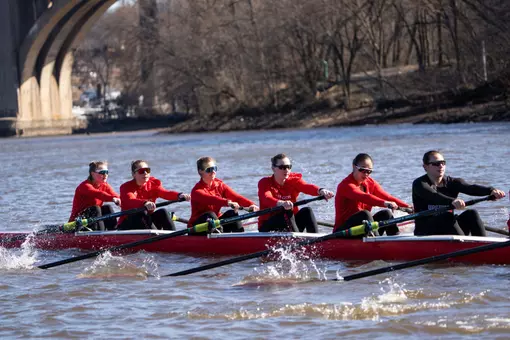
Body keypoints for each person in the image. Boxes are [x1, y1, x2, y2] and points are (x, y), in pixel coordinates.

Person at [412, 150, 505, 236]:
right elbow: (433, 195)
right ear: (425, 166)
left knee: (471, 213)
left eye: (443, 163)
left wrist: (491, 191)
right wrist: (452, 201)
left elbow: (471, 188)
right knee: (446, 216)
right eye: (436, 164)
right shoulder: (419, 184)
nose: (440, 166)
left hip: (448, 228)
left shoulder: (453, 182)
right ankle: (464, 246)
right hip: (426, 230)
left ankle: (484, 245)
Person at [333, 153, 411, 236]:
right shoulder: (345, 185)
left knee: (386, 214)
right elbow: (364, 197)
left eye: (369, 171)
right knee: (365, 214)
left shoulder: (371, 183)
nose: (366, 174)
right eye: (362, 170)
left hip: (363, 228)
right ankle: (376, 242)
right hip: (343, 232)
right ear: (354, 167)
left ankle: (396, 240)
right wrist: (384, 203)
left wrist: (409, 207)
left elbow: (388, 197)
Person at [258, 153, 334, 233]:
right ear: (273, 168)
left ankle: (316, 241)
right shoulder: (265, 182)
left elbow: (306, 187)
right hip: (268, 227)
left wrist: (320, 190)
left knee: (307, 211)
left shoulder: (294, 180)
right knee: (286, 213)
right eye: (282, 167)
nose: (286, 170)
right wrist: (281, 203)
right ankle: (297, 240)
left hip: (291, 223)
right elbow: (266, 198)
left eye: (289, 167)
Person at [188, 156, 259, 234]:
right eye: (209, 170)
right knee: (210, 214)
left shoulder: (220, 185)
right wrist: (228, 202)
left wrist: (251, 205)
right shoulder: (196, 191)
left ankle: (241, 236)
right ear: (200, 171)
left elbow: (236, 197)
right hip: (197, 228)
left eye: (214, 168)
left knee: (232, 213)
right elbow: (212, 199)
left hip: (215, 222)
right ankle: (220, 237)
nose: (213, 172)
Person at [117, 160, 190, 230]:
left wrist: (179, 195)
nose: (145, 173)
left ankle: (174, 238)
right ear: (133, 174)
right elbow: (130, 200)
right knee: (141, 213)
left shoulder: (153, 184)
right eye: (141, 171)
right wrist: (145, 203)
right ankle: (157, 237)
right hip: (128, 224)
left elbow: (165, 193)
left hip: (147, 221)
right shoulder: (126, 187)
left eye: (147, 170)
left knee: (163, 212)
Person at [69, 161, 121, 231]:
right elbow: (99, 194)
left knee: (107, 208)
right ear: (92, 174)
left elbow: (116, 195)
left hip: (93, 219)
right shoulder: (85, 186)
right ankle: (100, 234)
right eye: (102, 172)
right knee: (95, 208)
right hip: (78, 222)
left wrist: (123, 202)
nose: (105, 175)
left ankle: (114, 232)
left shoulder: (105, 185)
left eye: (107, 172)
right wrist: (112, 199)